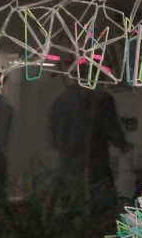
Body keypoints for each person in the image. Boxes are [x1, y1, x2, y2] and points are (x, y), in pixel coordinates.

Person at [49, 82, 132, 219]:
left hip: (68, 171)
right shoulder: (101, 99)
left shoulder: (60, 100)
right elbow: (112, 130)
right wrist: (124, 145)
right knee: (101, 217)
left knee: (73, 217)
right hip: (95, 169)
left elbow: (55, 139)